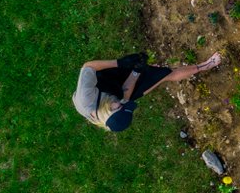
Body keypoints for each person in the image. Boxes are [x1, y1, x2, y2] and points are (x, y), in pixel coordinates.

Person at [72, 51, 223, 132]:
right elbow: (125, 95)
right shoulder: (118, 107)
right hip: (111, 92)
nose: (123, 104)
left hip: (102, 80)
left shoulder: (85, 97)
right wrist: (137, 72)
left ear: (109, 110)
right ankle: (206, 65)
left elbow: (88, 66)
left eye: (120, 106)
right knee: (164, 75)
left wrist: (120, 63)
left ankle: (142, 69)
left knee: (128, 69)